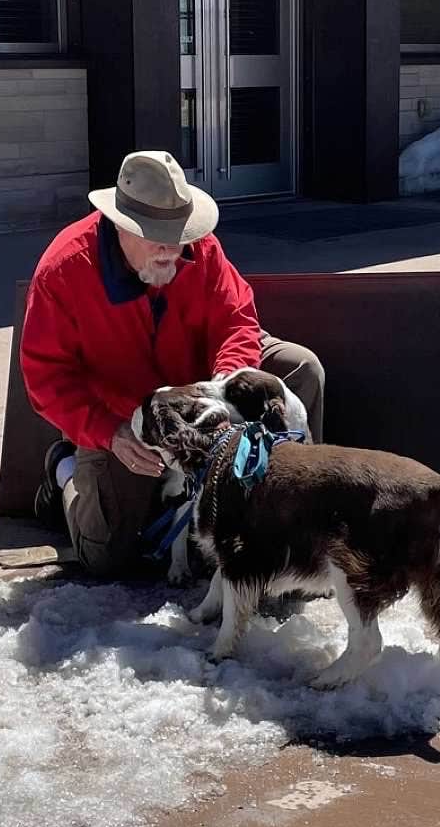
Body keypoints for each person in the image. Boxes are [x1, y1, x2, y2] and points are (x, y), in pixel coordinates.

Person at [19, 149, 325, 576]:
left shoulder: (201, 247)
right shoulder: (65, 269)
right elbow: (45, 377)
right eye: (155, 234)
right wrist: (108, 433)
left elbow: (236, 319)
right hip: (122, 417)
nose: (171, 246)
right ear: (120, 226)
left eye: (177, 232)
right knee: (106, 558)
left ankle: (287, 519)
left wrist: (226, 386)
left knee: (300, 368)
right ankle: (63, 468)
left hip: (202, 391)